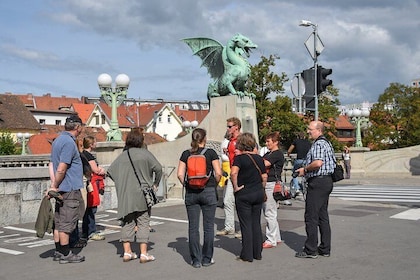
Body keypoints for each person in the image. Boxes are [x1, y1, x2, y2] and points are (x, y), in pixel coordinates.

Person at [107, 128, 162, 263]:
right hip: (142, 194)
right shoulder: (145, 154)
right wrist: (155, 183)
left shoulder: (122, 156)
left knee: (127, 221)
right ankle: (144, 253)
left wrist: (122, 183)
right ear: (141, 140)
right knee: (143, 221)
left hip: (126, 194)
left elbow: (110, 171)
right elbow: (159, 168)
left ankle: (127, 252)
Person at [177, 128, 222, 268]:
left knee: (193, 227)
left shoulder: (186, 154)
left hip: (191, 193)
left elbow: (179, 174)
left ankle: (196, 260)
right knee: (208, 227)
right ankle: (207, 258)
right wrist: (213, 183)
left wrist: (187, 183)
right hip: (208, 191)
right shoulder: (211, 153)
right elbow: (218, 172)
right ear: (204, 139)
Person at [295, 121, 336, 259]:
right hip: (326, 181)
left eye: (310, 129)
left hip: (318, 182)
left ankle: (311, 249)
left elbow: (318, 163)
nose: (308, 131)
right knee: (322, 216)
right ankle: (325, 248)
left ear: (318, 130)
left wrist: (305, 169)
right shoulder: (327, 143)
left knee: (311, 216)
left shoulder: (318, 144)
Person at [48, 115, 85, 264]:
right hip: (68, 188)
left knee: (59, 220)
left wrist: (53, 185)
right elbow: (62, 168)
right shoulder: (69, 143)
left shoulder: (57, 140)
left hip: (61, 188)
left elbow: (52, 165)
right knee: (67, 222)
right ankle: (66, 253)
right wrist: (55, 185)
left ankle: (58, 250)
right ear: (78, 127)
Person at [231, 132, 267, 262]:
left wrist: (236, 187)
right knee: (256, 223)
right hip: (257, 192)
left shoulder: (239, 159)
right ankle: (257, 252)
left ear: (241, 144)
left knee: (246, 224)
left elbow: (233, 172)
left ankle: (247, 254)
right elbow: (264, 176)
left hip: (244, 193)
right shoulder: (259, 158)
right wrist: (261, 188)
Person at [216, 117, 241, 237]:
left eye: (230, 126)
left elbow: (254, 152)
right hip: (232, 173)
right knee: (227, 200)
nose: (228, 129)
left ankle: (243, 229)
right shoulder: (230, 141)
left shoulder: (242, 139)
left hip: (241, 173)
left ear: (236, 127)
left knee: (241, 202)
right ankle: (229, 227)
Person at [80, 136, 106, 242]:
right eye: (95, 142)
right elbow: (95, 170)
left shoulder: (82, 154)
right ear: (91, 144)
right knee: (91, 208)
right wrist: (102, 170)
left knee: (87, 209)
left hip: (85, 183)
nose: (96, 144)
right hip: (91, 184)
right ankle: (90, 231)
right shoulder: (89, 156)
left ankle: (85, 232)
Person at [261, 132, 284, 249]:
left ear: (275, 142)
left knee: (269, 212)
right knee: (271, 211)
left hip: (271, 183)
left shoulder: (277, 154)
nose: (267, 143)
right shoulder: (268, 153)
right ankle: (276, 237)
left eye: (269, 141)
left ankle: (271, 239)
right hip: (269, 183)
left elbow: (265, 164)